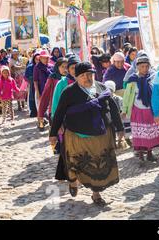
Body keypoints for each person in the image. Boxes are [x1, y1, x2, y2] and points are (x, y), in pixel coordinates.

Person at [49, 62, 124, 206]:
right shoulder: (69, 92)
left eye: (90, 74)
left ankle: (96, 193)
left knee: (98, 165)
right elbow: (59, 113)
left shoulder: (102, 88)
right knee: (76, 162)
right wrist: (53, 133)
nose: (87, 78)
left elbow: (113, 109)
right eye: (83, 75)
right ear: (76, 77)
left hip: (101, 136)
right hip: (77, 136)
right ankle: (73, 181)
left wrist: (120, 128)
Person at [122, 56, 159, 161]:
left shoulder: (153, 78)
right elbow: (127, 95)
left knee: (149, 132)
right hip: (137, 110)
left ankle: (150, 153)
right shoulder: (132, 80)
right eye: (142, 66)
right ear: (137, 67)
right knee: (139, 132)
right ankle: (141, 154)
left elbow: (158, 91)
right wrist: (124, 110)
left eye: (146, 66)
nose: (145, 69)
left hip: (150, 109)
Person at [37, 57, 68, 129]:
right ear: (57, 67)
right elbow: (45, 96)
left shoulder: (72, 79)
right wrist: (40, 114)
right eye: (62, 67)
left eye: (66, 67)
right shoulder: (52, 78)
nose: (65, 69)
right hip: (55, 111)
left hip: (68, 111)